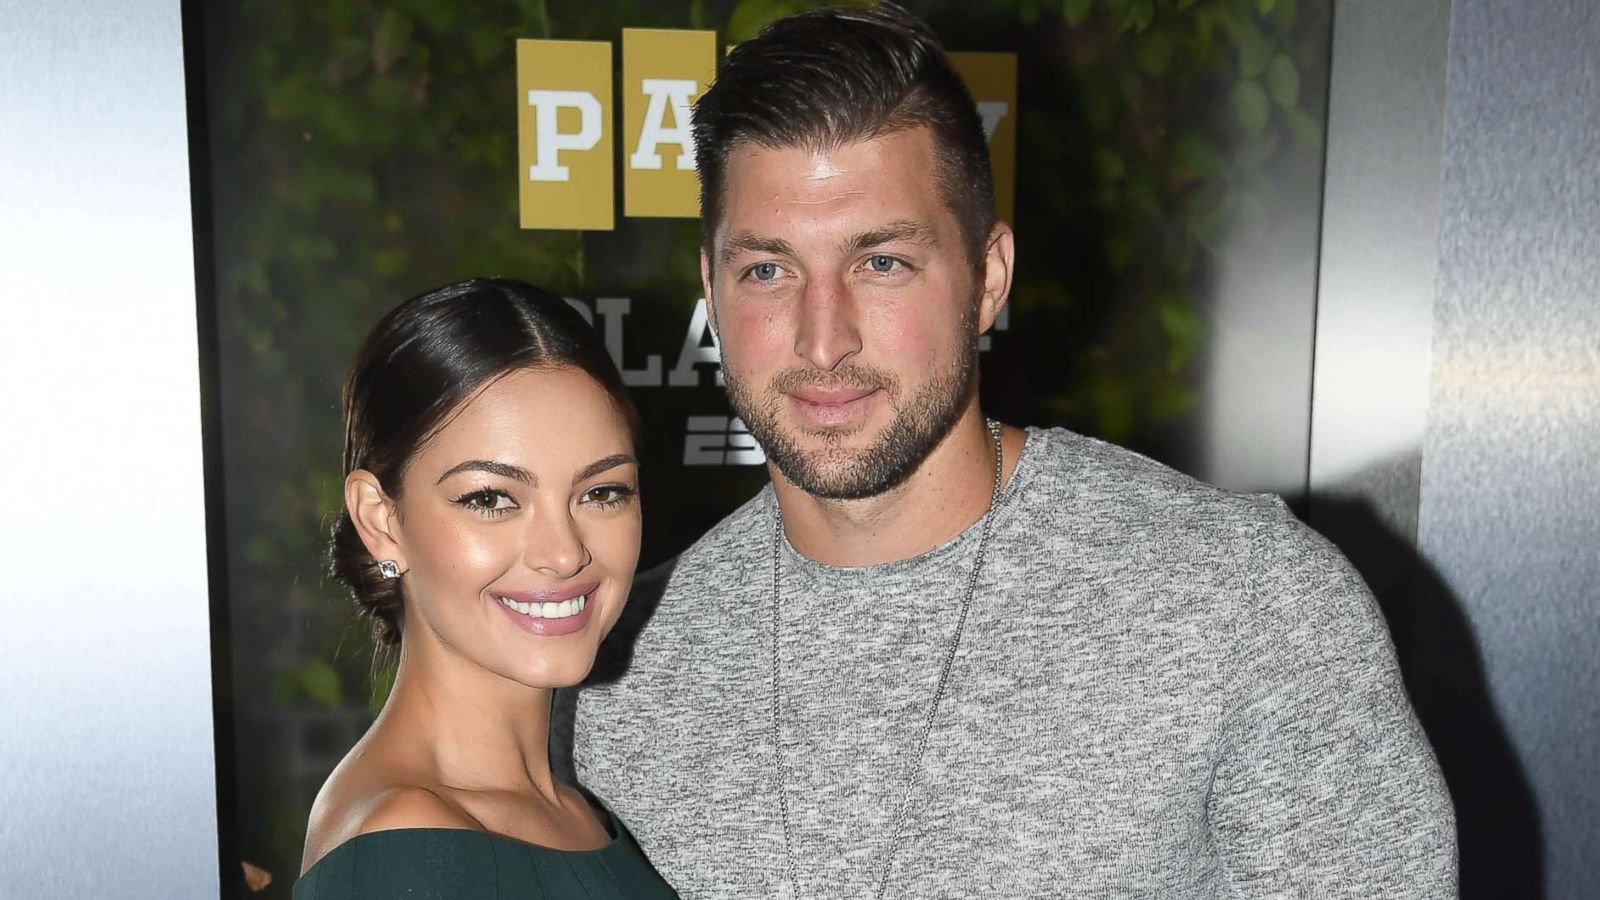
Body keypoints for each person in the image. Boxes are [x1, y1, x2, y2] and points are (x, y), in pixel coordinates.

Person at [566, 5, 1456, 898]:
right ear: (711, 292)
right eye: (768, 269)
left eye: (881, 263)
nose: (822, 338)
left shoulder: (1245, 603)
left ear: (988, 277)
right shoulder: (614, 668)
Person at [296, 279, 677, 898]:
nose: (564, 552)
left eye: (601, 492)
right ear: (380, 519)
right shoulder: (410, 848)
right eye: (492, 499)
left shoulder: (571, 814)